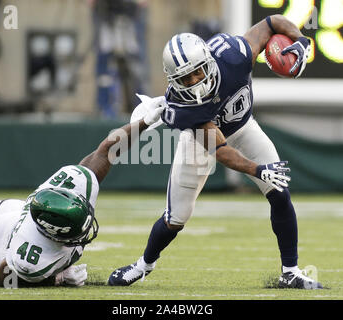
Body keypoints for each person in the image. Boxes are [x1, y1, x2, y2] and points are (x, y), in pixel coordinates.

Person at [108, 14, 323, 289]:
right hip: (200, 143)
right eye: (185, 78)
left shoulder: (233, 55)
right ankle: (142, 266)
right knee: (176, 218)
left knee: (279, 192)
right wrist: (258, 170)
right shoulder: (183, 108)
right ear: (174, 80)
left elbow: (272, 23)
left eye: (198, 71)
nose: (195, 81)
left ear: (209, 61)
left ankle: (290, 272)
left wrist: (301, 40)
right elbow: (220, 149)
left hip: (244, 128)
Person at [0, 98, 165, 287]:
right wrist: (58, 278)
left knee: (1, 209)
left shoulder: (72, 187)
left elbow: (107, 150)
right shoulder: (32, 261)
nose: (84, 232)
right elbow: (5, 278)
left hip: (13, 212)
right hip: (5, 244)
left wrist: (144, 122)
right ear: (55, 235)